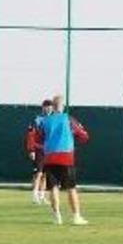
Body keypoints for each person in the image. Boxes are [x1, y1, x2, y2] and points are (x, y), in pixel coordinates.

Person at [36, 95, 90, 225]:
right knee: (71, 188)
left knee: (53, 187)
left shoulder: (44, 121)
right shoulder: (68, 119)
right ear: (63, 106)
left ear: (52, 106)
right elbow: (84, 136)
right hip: (66, 156)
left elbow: (38, 138)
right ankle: (76, 216)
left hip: (49, 157)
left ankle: (57, 216)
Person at [26, 98, 53, 204]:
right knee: (39, 173)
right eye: (46, 106)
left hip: (50, 151)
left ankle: (42, 196)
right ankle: (34, 195)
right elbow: (30, 135)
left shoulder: (54, 119)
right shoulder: (37, 119)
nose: (48, 108)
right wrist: (31, 150)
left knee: (46, 174)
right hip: (39, 150)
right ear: (43, 108)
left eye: (49, 106)